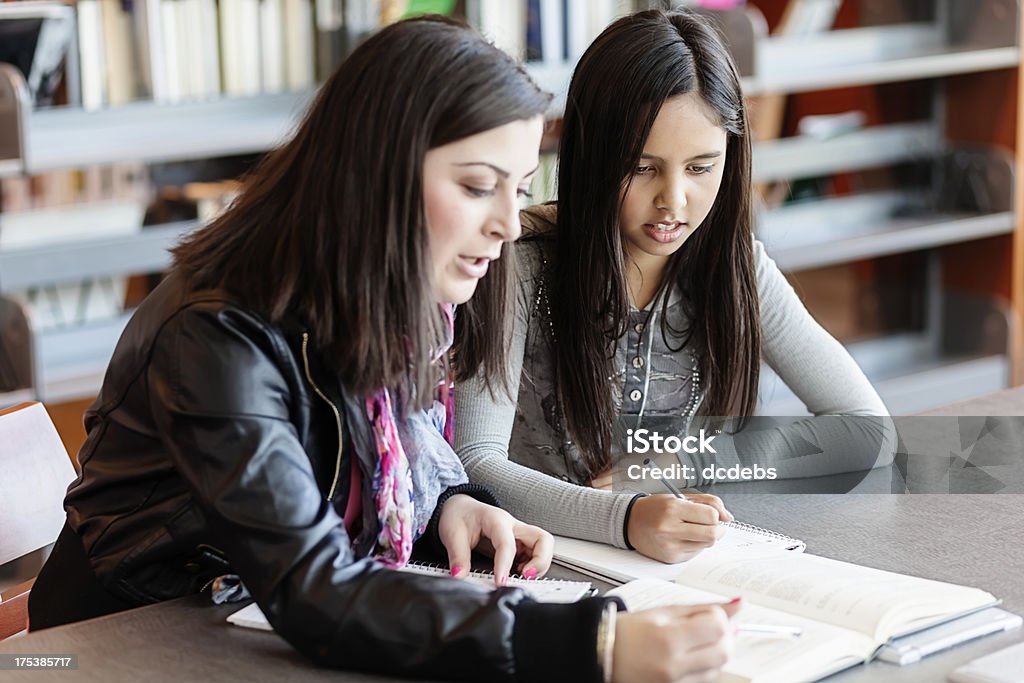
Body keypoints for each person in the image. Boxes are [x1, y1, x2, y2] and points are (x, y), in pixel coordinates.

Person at [27, 16, 738, 683]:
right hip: (124, 644)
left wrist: (448, 505)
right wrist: (593, 641)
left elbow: (386, 460)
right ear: (380, 172)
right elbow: (315, 587)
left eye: (517, 190)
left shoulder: (395, 302)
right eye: (476, 186)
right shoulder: (215, 334)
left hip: (243, 627)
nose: (508, 226)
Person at [454, 8, 893, 564]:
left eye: (701, 167)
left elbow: (867, 431)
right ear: (593, 155)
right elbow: (476, 461)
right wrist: (627, 518)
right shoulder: (517, 264)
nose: (674, 201)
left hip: (669, 567)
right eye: (642, 167)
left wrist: (683, 462)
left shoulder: (737, 271)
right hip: (529, 567)